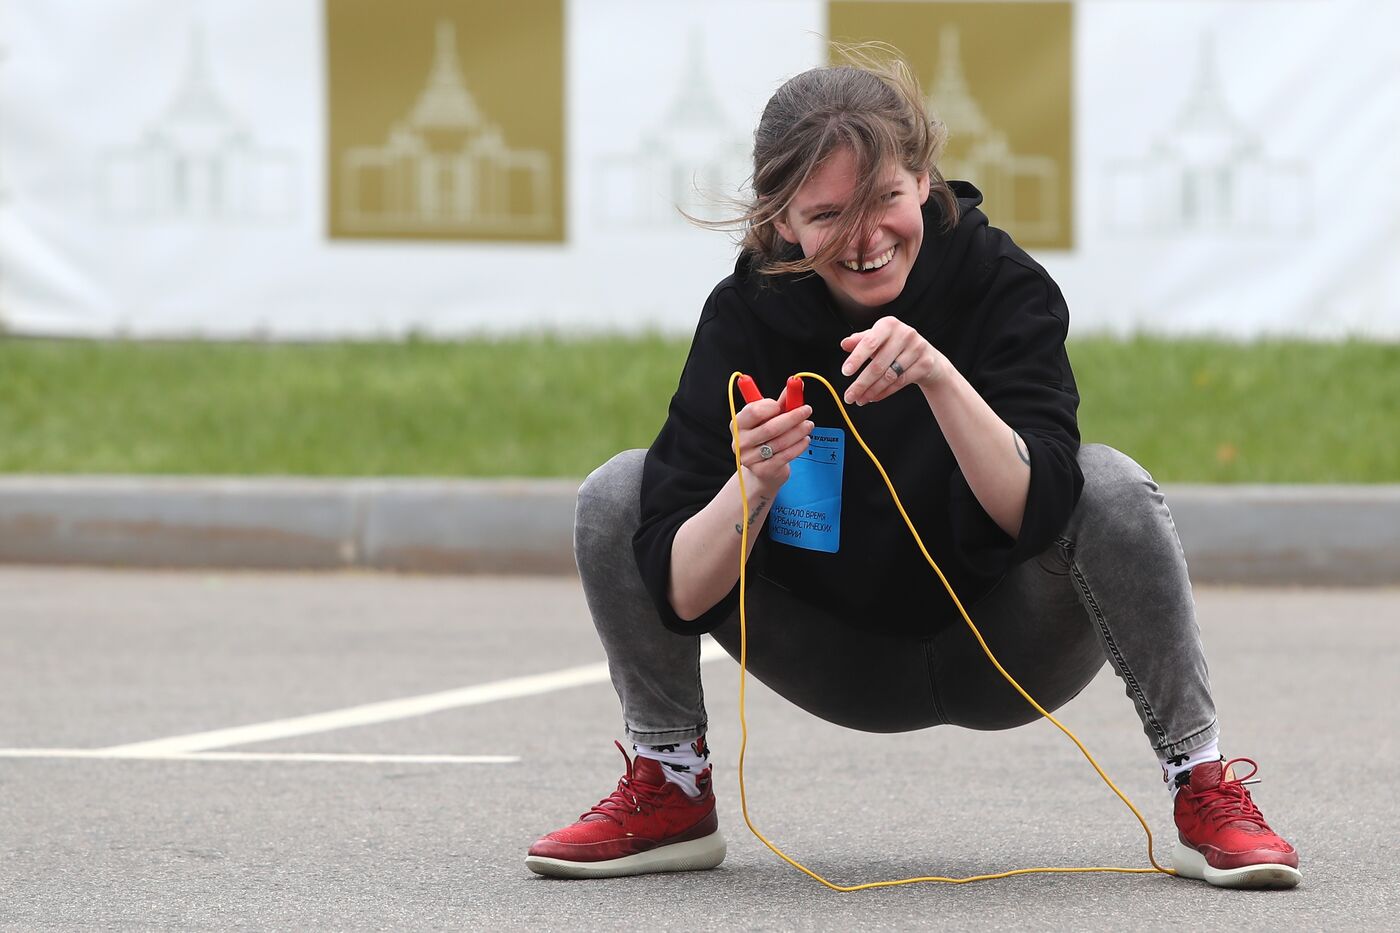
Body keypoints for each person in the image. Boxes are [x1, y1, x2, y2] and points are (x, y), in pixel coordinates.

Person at [525, 52, 1299, 890]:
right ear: (783, 221)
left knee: (1110, 482)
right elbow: (679, 591)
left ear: (924, 178)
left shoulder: (999, 281)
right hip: (835, 656)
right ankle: (671, 785)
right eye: (827, 216)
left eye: (886, 199)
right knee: (617, 491)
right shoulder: (747, 313)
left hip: (1004, 647)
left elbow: (1036, 510)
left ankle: (1201, 782)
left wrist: (937, 375)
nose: (865, 241)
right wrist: (751, 486)